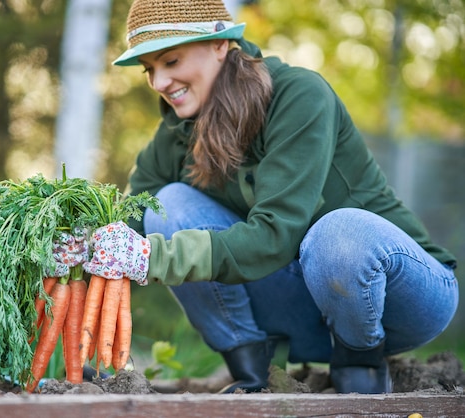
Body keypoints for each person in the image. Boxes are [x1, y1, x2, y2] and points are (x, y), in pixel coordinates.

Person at [64, 0, 459, 394]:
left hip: (402, 301)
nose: (159, 83)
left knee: (337, 232)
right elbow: (127, 220)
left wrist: (152, 256)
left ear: (221, 44)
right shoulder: (175, 135)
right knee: (168, 203)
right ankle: (254, 373)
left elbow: (276, 234)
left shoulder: (299, 96)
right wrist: (82, 247)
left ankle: (360, 372)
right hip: (305, 311)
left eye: (171, 61)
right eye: (149, 70)